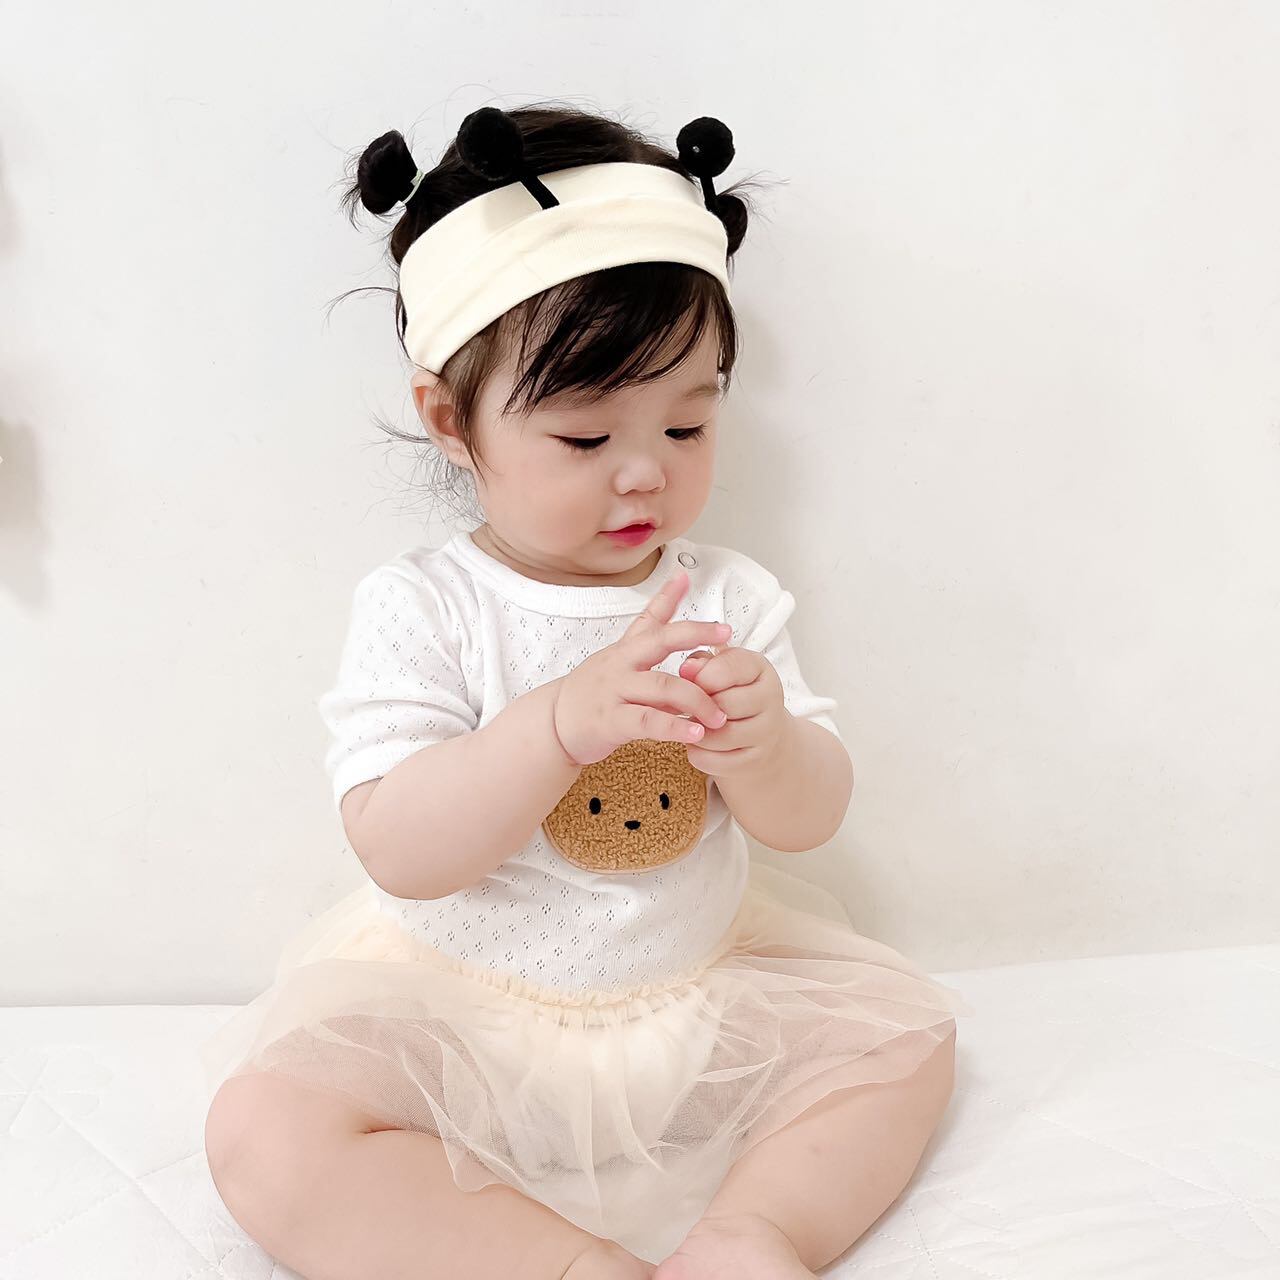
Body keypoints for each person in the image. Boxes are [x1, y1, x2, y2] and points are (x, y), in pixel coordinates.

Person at [200, 101, 974, 1279]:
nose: (644, 471)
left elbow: (810, 815)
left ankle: (753, 1231)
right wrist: (552, 725)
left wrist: (766, 746)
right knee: (263, 1132)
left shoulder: (726, 595)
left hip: (693, 1002)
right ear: (450, 420)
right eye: (582, 438)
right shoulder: (428, 606)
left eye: (687, 422)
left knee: (906, 1041)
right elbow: (398, 846)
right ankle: (563, 1265)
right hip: (461, 1020)